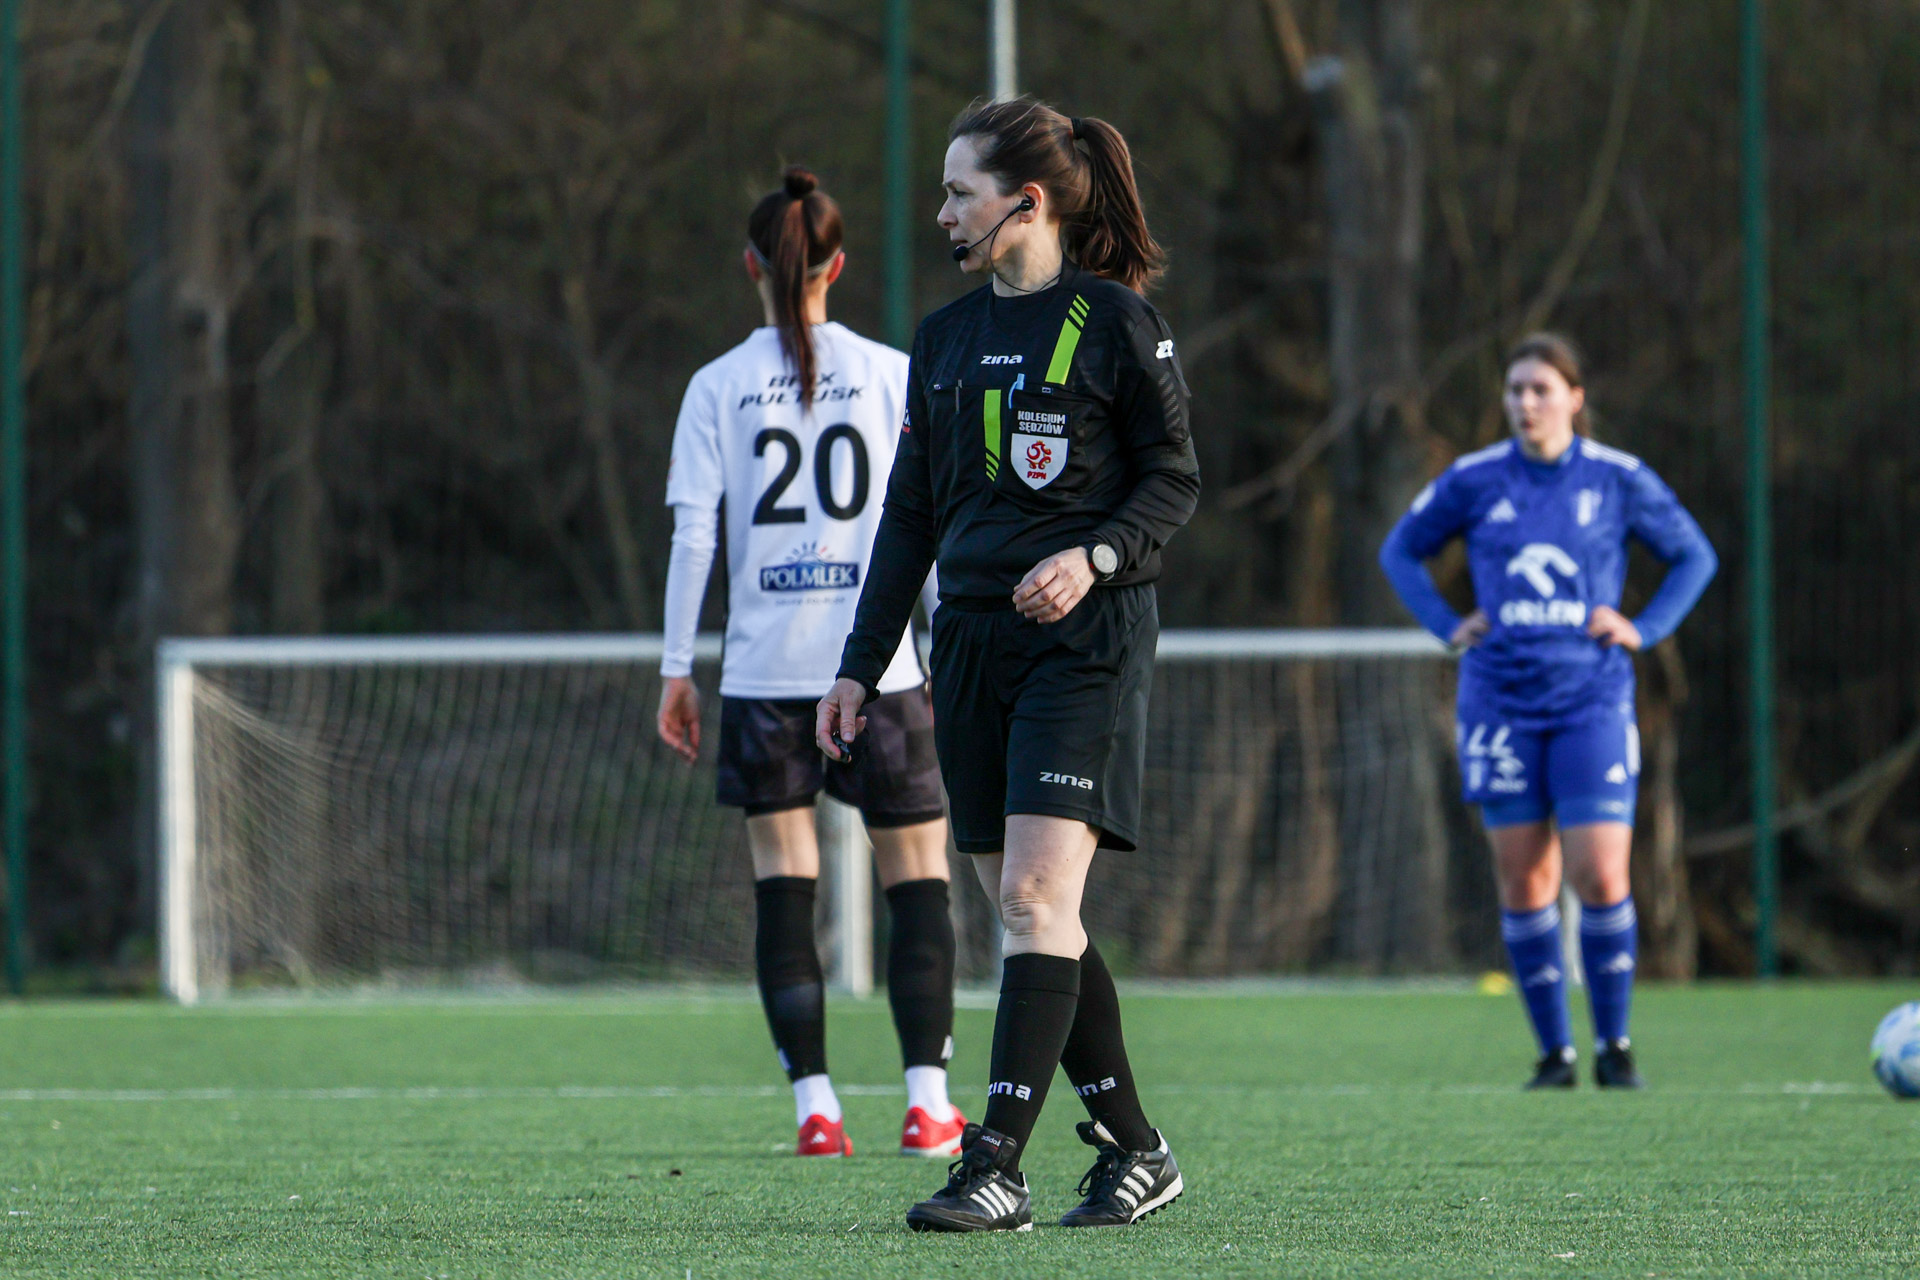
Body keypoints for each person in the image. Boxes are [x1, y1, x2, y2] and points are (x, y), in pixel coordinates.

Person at [817, 99, 1199, 1232]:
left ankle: (994, 1164)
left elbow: (1174, 479)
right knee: (1032, 911)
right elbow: (910, 519)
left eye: (959, 193)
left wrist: (1093, 555)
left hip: (1086, 642)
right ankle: (1138, 1149)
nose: (943, 212)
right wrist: (859, 666)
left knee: (1034, 897)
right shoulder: (940, 340)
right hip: (971, 646)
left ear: (1025, 203)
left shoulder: (1117, 321)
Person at [658, 167, 964, 1159]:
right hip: (880, 669)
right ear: (837, 266)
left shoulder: (715, 386)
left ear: (751, 265)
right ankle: (927, 1104)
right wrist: (946, 640)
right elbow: (928, 526)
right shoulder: (891, 372)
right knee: (918, 879)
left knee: (783, 885)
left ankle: (817, 1110)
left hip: (764, 674)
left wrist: (675, 669)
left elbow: (694, 538)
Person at [1379, 333, 1717, 1090]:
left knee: (1599, 873)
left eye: (1540, 389)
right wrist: (1447, 625)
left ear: (1574, 398)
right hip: (1499, 701)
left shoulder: (1617, 477)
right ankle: (1555, 1055)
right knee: (1526, 880)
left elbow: (1695, 555)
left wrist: (1645, 628)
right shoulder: (1475, 478)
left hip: (1591, 699)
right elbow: (1400, 551)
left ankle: (1615, 1047)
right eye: (1515, 390)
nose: (1526, 403)